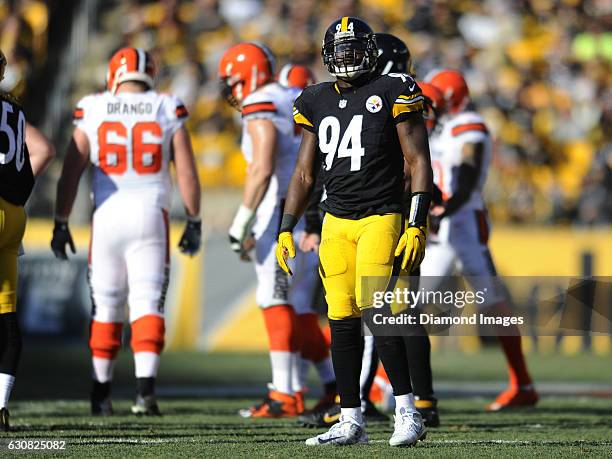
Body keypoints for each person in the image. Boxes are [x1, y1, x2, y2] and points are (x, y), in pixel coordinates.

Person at [276, 17, 433, 447]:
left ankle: (407, 412)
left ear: (369, 51)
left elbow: (418, 160)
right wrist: (285, 228)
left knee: (378, 311)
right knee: (341, 319)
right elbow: (305, 172)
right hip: (336, 220)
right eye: (338, 50)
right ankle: (351, 419)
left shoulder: (392, 88)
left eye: (352, 49)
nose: (345, 58)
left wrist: (417, 221)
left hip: (381, 214)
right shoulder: (315, 98)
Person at [51, 47, 202, 416]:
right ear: (150, 73)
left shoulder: (94, 106)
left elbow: (71, 169)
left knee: (106, 305)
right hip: (150, 212)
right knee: (147, 302)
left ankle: (100, 394)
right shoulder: (167, 105)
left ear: (114, 73)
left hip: (107, 214)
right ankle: (144, 394)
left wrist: (61, 220)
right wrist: (194, 219)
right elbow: (186, 171)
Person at [219, 45, 334, 418]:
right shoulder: (293, 96)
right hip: (307, 210)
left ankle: (284, 393)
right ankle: (328, 385)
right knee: (297, 306)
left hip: (280, 213)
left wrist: (241, 223)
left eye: (234, 81)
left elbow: (262, 168)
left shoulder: (262, 101)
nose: (232, 90)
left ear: (249, 76)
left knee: (275, 299)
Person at [424, 69, 538, 411]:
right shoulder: (440, 127)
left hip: (461, 224)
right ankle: (386, 381)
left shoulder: (468, 123)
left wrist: (443, 209)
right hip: (445, 223)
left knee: (488, 303)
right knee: (411, 303)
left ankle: (523, 383)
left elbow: (468, 172)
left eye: (435, 101)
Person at [0, 49, 55, 431]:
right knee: (5, 317)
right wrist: (16, 191)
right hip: (13, 214)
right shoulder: (14, 110)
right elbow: (44, 150)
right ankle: (0, 406)